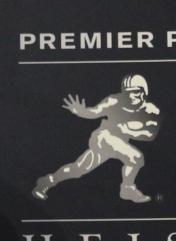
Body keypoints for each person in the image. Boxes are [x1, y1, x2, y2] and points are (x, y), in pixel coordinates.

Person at [32, 75, 161, 203]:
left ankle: (47, 181)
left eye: (136, 92)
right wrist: (81, 111)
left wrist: (128, 130)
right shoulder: (114, 101)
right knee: (136, 157)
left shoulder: (151, 110)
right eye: (128, 93)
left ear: (144, 92)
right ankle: (127, 189)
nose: (132, 96)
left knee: (77, 169)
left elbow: (150, 134)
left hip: (119, 142)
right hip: (104, 137)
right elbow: (95, 111)